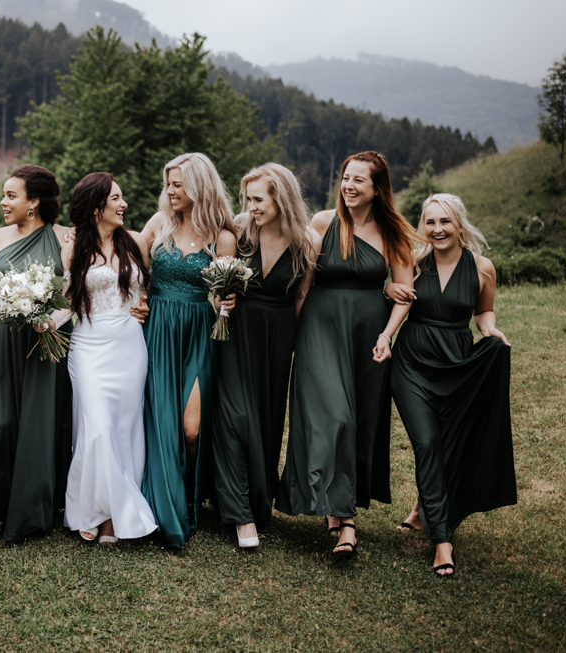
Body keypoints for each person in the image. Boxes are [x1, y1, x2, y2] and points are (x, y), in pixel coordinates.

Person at [275, 151, 418, 556]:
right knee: (333, 416)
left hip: (367, 334)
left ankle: (335, 508)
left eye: (358, 180)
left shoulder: (393, 234)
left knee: (356, 423)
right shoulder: (323, 223)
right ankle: (347, 522)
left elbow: (405, 292)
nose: (349, 186)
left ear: (377, 188)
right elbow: (302, 285)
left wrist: (387, 334)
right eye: (345, 178)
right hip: (320, 328)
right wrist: (294, 337)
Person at [388, 193, 515, 577]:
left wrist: (491, 332)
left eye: (445, 221)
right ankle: (442, 540)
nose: (437, 229)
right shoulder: (413, 261)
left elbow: (484, 311)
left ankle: (422, 509)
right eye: (430, 222)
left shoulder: (482, 268)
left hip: (456, 364)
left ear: (459, 223)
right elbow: (396, 296)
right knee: (427, 442)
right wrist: (388, 291)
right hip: (412, 365)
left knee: (448, 442)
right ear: (423, 226)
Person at [36, 172, 156, 544]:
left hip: (130, 347)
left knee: (124, 429)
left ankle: (111, 518)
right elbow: (70, 299)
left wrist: (145, 306)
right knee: (97, 428)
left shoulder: (135, 242)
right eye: (116, 199)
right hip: (88, 347)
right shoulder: (74, 247)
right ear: (95, 206)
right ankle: (93, 508)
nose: (124, 205)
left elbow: (147, 291)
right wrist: (44, 321)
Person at [211, 163, 319, 548]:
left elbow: (301, 296)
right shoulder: (238, 231)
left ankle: (258, 504)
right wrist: (219, 301)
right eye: (248, 199)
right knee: (234, 417)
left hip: (278, 337)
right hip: (237, 333)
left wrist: (294, 345)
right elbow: (215, 284)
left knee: (267, 420)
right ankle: (240, 514)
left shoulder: (307, 241)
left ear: (281, 198)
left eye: (258, 199)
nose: (251, 206)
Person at [0, 164, 73, 542]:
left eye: (11, 195)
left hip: (49, 340)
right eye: (4, 194)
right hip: (7, 342)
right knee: (1, 423)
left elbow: (77, 289)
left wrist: (50, 319)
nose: (3, 202)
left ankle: (38, 504)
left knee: (42, 422)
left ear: (34, 202)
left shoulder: (66, 237)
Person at [138, 152, 238, 547]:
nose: (170, 191)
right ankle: (166, 502)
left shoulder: (222, 238)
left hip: (198, 331)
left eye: (178, 184)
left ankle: (188, 494)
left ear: (199, 186)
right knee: (160, 418)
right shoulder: (159, 224)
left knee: (192, 428)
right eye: (168, 184)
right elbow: (131, 266)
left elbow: (224, 292)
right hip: (157, 327)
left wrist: (228, 301)